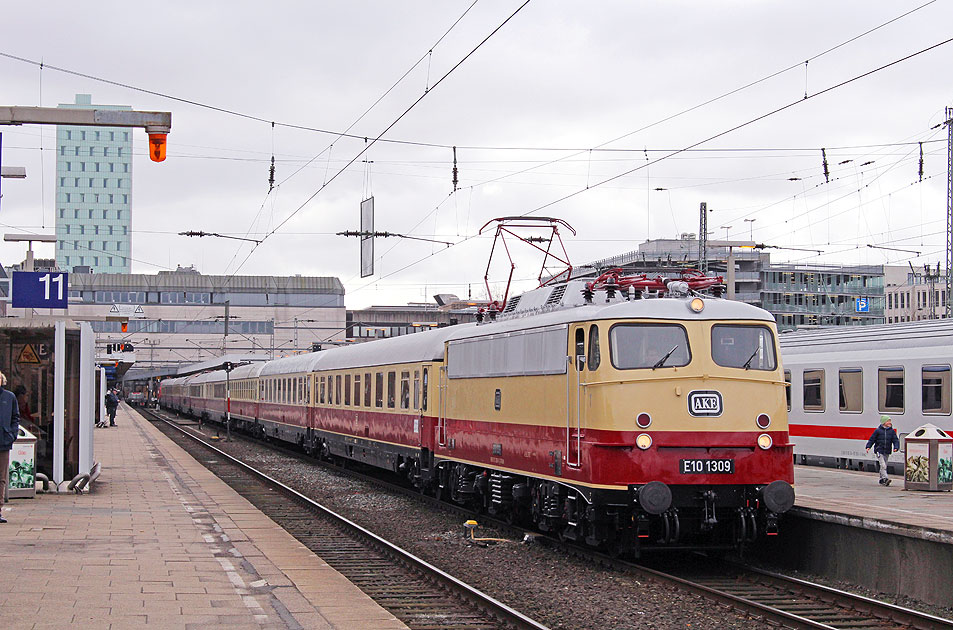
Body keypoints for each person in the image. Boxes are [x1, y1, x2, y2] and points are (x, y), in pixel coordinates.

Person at [0, 371, 21, 523]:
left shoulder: (9, 397)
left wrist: (12, 435)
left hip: (3, 442)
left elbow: (15, 417)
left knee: (1, 478)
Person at [866, 415, 901, 486]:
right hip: (879, 450)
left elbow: (895, 440)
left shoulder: (891, 431)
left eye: (890, 421)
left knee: (884, 465)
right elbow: (872, 439)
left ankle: (881, 479)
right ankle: (886, 478)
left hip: (887, 450)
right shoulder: (878, 431)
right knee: (883, 465)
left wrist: (896, 447)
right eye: (888, 421)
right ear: (883, 422)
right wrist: (868, 446)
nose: (889, 422)